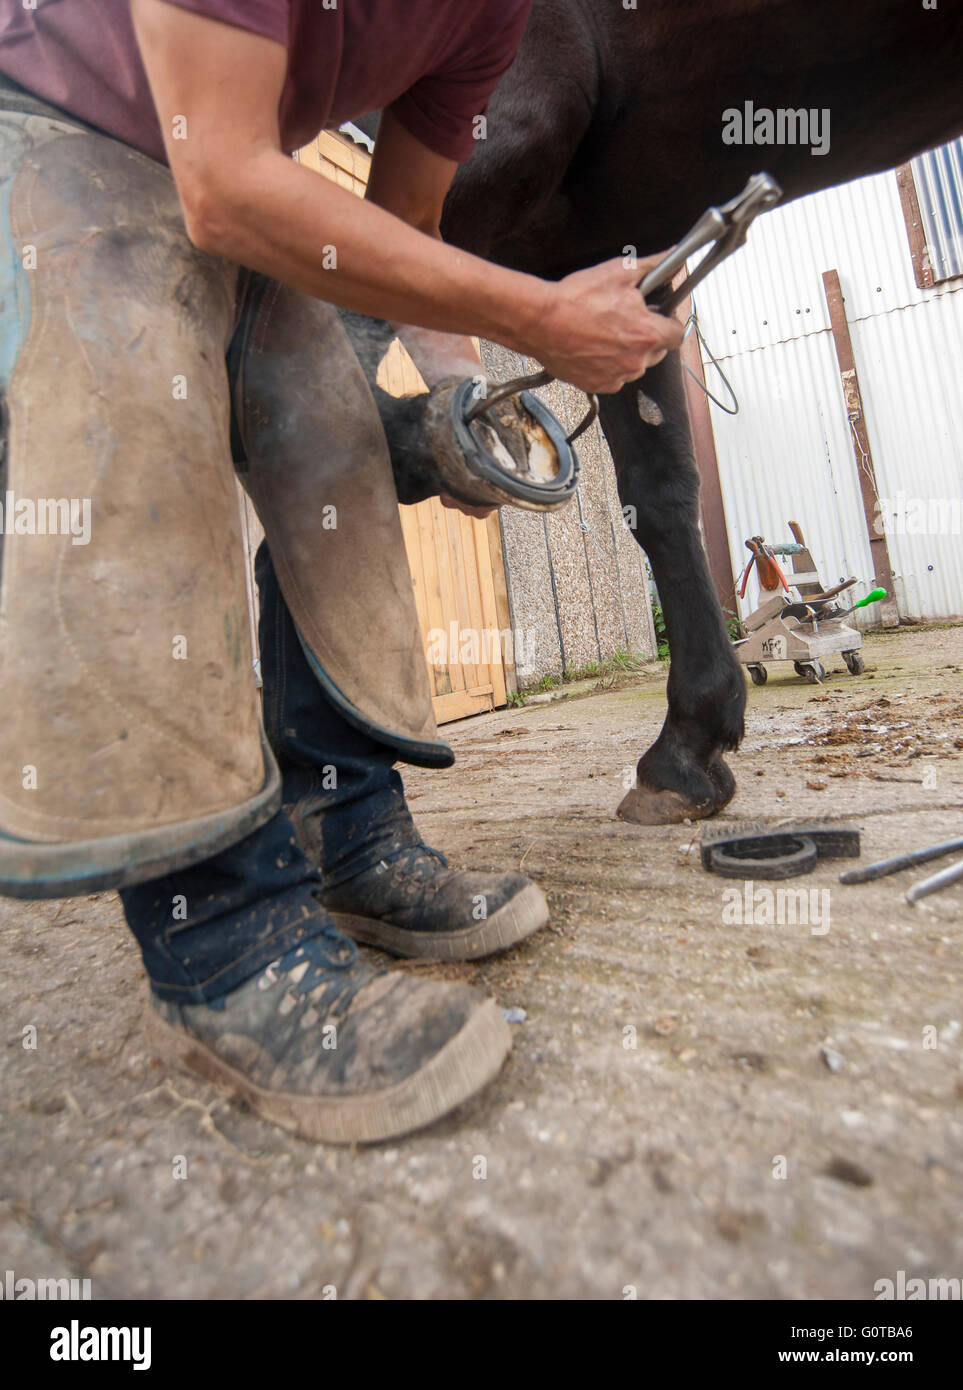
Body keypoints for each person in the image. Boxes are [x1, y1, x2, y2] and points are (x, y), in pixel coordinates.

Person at [0, 0, 682, 1143]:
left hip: (239, 169)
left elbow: (403, 237)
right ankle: (221, 947)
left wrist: (457, 397)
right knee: (133, 399)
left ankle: (345, 827)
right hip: (57, 128)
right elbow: (218, 179)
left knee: (338, 435)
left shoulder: (490, 13)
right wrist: (544, 318)